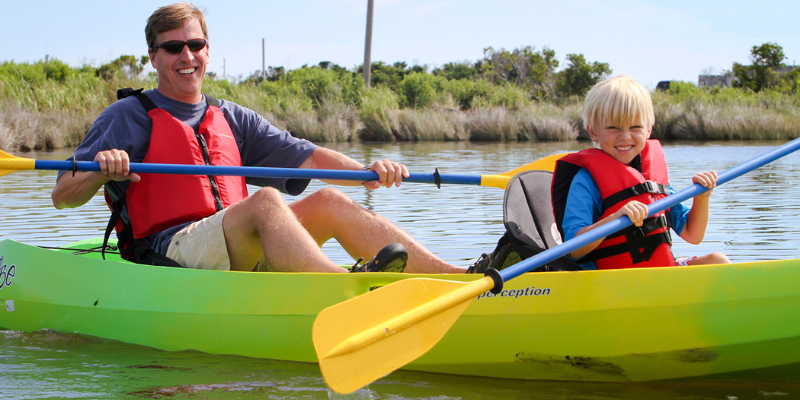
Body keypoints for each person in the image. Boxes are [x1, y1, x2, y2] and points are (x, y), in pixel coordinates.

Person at [51, 3, 466, 274]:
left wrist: (367, 173)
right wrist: (100, 173)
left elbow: (309, 157)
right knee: (266, 200)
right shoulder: (127, 116)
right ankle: (342, 288)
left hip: (235, 245)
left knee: (329, 200)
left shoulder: (231, 116)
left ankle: (461, 282)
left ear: (208, 51)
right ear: (154, 57)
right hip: (170, 252)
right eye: (173, 47)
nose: (187, 56)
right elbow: (63, 195)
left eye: (195, 45)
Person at [551, 75, 730, 270]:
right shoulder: (586, 181)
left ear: (648, 130)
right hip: (608, 280)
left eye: (635, 127)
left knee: (718, 260)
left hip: (657, 274)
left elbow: (692, 234)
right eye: (613, 128)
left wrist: (702, 197)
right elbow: (574, 249)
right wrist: (617, 216)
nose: (625, 136)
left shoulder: (652, 180)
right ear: (593, 132)